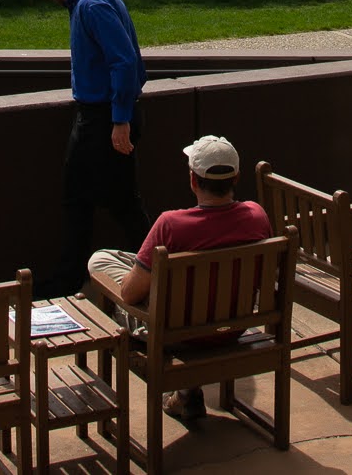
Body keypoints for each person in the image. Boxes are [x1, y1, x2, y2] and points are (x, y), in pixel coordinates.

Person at [89, 134, 272, 425]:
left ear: (193, 180)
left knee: (99, 262)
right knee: (148, 269)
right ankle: (186, 392)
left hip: (178, 336)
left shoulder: (170, 225)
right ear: (236, 178)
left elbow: (129, 294)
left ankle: (183, 390)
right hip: (232, 329)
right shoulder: (257, 216)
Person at [33, 0, 149, 299]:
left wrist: (120, 120)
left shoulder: (91, 4)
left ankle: (155, 270)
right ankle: (72, 277)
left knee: (116, 201)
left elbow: (123, 62)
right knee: (90, 198)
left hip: (104, 118)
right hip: (101, 116)